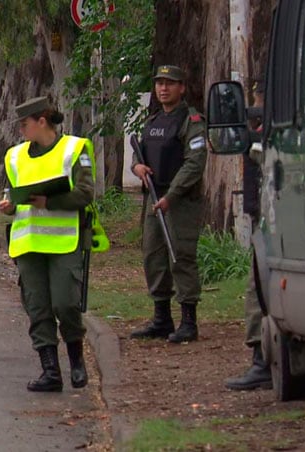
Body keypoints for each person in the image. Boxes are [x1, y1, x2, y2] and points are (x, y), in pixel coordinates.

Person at [0, 96, 101, 392]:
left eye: (25, 124)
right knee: (37, 308)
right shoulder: (14, 156)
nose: (21, 130)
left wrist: (51, 201)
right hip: (28, 244)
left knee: (66, 304)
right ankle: (50, 371)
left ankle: (76, 362)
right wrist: (7, 205)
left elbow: (85, 194)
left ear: (42, 121)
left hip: (64, 242)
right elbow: (12, 192)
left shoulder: (76, 148)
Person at [129, 65, 208, 343]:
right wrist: (137, 167)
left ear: (181, 87)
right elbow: (139, 155)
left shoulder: (192, 120)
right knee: (153, 257)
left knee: (180, 256)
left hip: (180, 201)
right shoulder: (152, 122)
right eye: (159, 83)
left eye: (170, 83)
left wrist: (170, 197)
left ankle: (189, 321)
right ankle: (161, 318)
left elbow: (195, 163)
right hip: (154, 198)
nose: (163, 88)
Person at [225, 79, 272, 390]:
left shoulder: (271, 133)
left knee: (258, 287)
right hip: (270, 215)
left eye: (258, 101)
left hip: (272, 218)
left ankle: (262, 360)